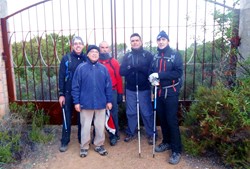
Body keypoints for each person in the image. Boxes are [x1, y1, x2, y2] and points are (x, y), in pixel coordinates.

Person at [71, 45, 113, 157]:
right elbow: (75, 86)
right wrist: (76, 102)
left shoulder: (103, 69)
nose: (94, 54)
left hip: (101, 103)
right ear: (88, 54)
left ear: (99, 55)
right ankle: (84, 147)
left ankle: (99, 145)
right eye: (92, 52)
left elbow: (108, 86)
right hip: (85, 103)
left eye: (96, 52)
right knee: (85, 126)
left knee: (100, 126)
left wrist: (109, 101)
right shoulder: (81, 68)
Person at [148, 30, 183, 165]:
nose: (161, 42)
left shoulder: (175, 55)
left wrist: (160, 75)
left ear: (168, 41)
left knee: (171, 120)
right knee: (162, 119)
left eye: (163, 39)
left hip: (171, 92)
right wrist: (152, 78)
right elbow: (152, 71)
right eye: (159, 40)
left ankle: (176, 150)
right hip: (159, 92)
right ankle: (166, 142)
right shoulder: (155, 56)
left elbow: (178, 73)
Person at [119, 33, 156, 145]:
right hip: (130, 89)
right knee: (131, 112)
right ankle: (131, 131)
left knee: (146, 112)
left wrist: (142, 68)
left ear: (141, 42)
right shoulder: (127, 56)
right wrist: (131, 68)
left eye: (137, 40)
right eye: (132, 41)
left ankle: (151, 133)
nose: (135, 42)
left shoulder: (148, 55)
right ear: (130, 43)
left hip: (144, 88)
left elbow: (152, 71)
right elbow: (122, 72)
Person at [58, 36, 86, 152]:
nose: (78, 45)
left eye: (80, 43)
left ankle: (81, 139)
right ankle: (65, 141)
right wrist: (61, 94)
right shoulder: (66, 58)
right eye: (75, 44)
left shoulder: (86, 58)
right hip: (68, 93)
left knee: (82, 118)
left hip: (82, 93)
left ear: (83, 45)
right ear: (72, 46)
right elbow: (61, 77)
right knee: (67, 118)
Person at [99, 41, 123, 146]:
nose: (104, 49)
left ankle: (114, 135)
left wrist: (120, 93)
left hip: (112, 91)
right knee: (98, 114)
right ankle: (98, 135)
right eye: (102, 47)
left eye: (106, 47)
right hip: (99, 92)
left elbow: (119, 78)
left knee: (113, 114)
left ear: (109, 49)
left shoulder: (114, 62)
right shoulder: (95, 61)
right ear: (99, 48)